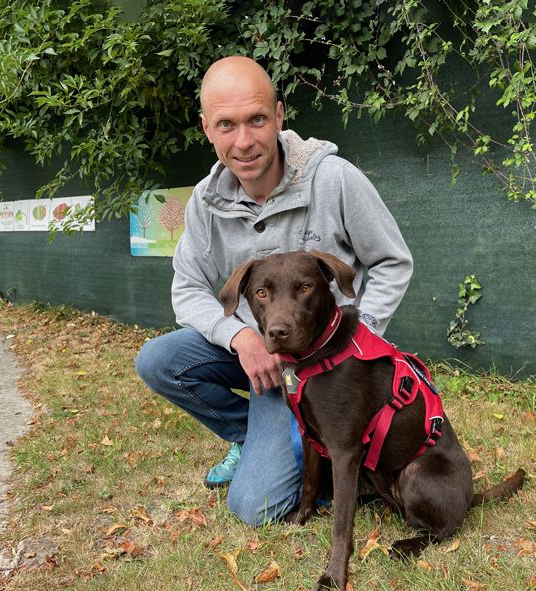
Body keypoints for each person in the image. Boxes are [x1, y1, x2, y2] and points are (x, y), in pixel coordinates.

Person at [135, 56, 413, 527]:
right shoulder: (204, 204)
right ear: (207, 128)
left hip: (328, 371)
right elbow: (188, 291)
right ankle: (251, 436)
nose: (243, 141)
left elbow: (391, 261)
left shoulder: (334, 179)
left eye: (256, 120)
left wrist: (355, 344)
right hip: (262, 363)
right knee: (158, 360)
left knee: (253, 507)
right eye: (226, 124)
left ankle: (320, 452)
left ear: (279, 116)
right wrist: (239, 338)